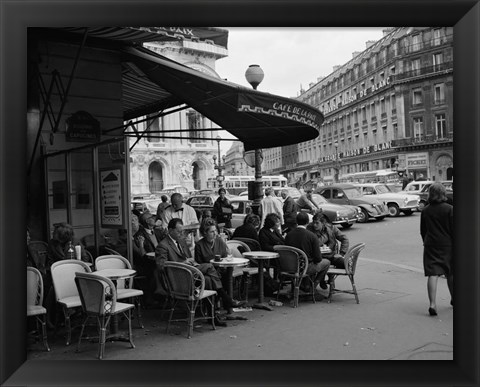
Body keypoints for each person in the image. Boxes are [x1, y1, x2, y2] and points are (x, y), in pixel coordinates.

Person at [155, 218, 243, 321]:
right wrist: (183, 263)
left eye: (182, 231)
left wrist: (192, 261)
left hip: (191, 272)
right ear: (170, 230)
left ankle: (213, 317)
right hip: (179, 278)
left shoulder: (181, 242)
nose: (181, 233)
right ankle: (225, 297)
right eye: (178, 231)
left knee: (208, 279)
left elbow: (189, 258)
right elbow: (161, 266)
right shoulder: (163, 245)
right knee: (209, 267)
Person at [420, 182, 453, 316]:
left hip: (431, 245)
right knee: (451, 273)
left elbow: (423, 230)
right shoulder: (450, 209)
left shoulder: (426, 210)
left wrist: (426, 242)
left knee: (433, 274)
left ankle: (432, 304)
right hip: (448, 245)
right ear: (443, 193)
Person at [285, 212, 330, 290]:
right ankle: (313, 286)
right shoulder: (311, 236)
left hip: (289, 267)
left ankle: (304, 285)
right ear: (307, 222)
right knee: (326, 262)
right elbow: (318, 258)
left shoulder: (289, 235)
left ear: (296, 221)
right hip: (305, 267)